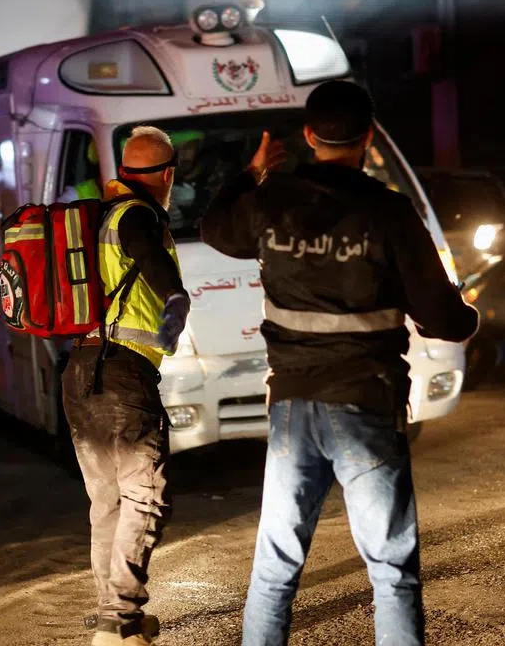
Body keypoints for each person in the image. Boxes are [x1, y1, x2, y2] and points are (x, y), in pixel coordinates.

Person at [200, 80, 479, 646]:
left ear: (309, 135)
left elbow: (214, 228)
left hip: (291, 409)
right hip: (366, 404)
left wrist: (252, 172)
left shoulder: (273, 201)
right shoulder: (390, 212)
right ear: (368, 138)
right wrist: (466, 316)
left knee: (275, 567)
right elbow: (444, 318)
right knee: (391, 571)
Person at [61, 126, 191, 646]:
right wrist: (175, 297)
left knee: (108, 502)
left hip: (80, 371)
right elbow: (149, 255)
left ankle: (115, 620)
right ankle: (119, 621)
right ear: (167, 175)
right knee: (145, 496)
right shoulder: (137, 215)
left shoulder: (98, 218)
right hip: (122, 375)